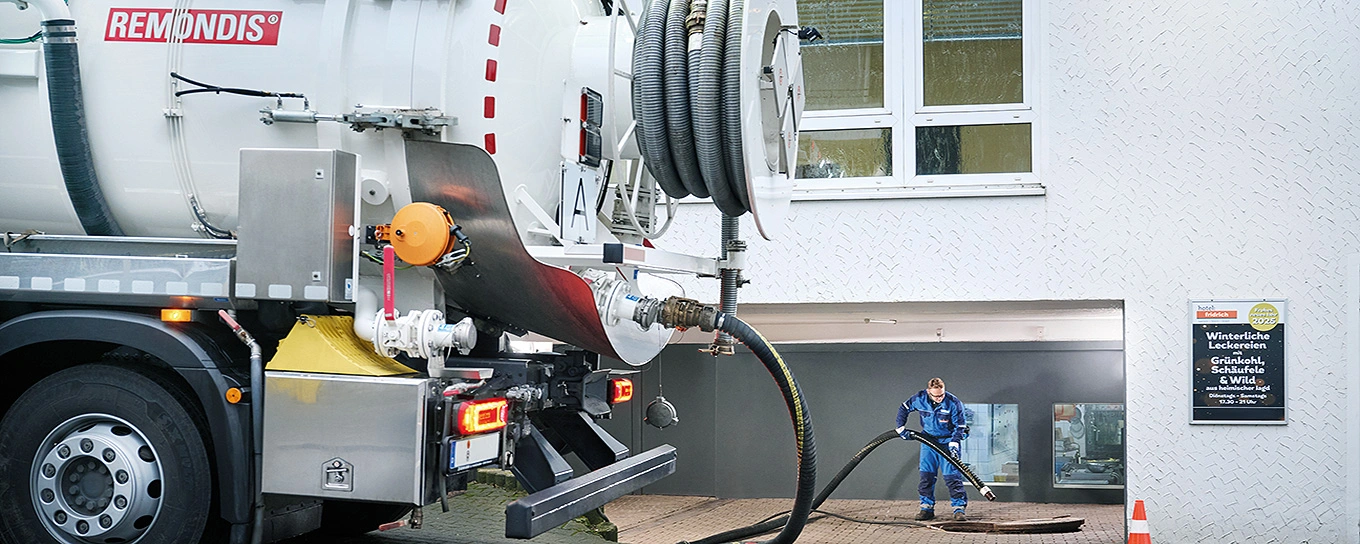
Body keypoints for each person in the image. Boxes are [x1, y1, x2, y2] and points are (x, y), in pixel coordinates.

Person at [896, 377, 968, 521]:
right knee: (926, 476)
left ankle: (959, 509)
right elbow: (904, 408)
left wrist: (955, 442)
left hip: (948, 441)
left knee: (952, 477)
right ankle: (926, 508)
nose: (940, 398)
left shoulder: (953, 402)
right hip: (928, 440)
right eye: (936, 396)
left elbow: (961, 426)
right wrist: (900, 427)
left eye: (942, 394)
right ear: (929, 392)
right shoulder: (920, 398)